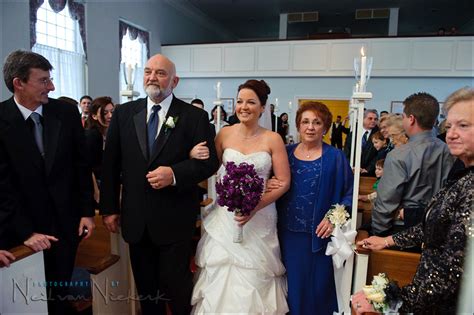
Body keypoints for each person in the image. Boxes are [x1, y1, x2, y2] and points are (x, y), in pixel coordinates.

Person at [100, 53, 219, 315]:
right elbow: (110, 165)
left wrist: (174, 174)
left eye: (160, 73)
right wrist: (109, 208)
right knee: (147, 290)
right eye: (148, 71)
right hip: (136, 219)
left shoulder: (193, 117)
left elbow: (209, 163)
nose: (152, 77)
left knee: (176, 287)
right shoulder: (124, 113)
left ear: (174, 81)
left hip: (174, 218)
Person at [353, 86, 474, 314]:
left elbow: (453, 272)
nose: (451, 133)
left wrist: (390, 301)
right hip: (416, 249)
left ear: (410, 119)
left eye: (464, 125)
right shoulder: (458, 166)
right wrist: (388, 240)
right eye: (449, 126)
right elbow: (436, 223)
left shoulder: (468, 185)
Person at [0, 50, 95, 314]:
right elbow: (2, 186)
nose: (51, 87)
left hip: (66, 227)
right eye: (43, 80)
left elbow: (80, 166)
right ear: (18, 82)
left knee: (58, 295)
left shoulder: (65, 112)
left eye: (50, 79)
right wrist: (25, 232)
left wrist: (87, 212)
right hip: (21, 232)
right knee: (29, 300)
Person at [191, 79, 290, 314]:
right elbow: (209, 168)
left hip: (260, 216)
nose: (244, 107)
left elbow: (284, 181)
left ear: (263, 107)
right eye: (240, 101)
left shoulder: (273, 138)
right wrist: (192, 153)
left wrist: (253, 207)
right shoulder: (224, 134)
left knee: (255, 275)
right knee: (221, 271)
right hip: (226, 217)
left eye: (251, 102)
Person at [272, 101, 354, 315]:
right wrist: (269, 184)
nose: (310, 127)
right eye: (305, 122)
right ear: (298, 126)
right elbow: (273, 181)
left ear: (325, 128)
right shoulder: (286, 153)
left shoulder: (336, 157)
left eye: (317, 122)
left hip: (319, 233)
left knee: (318, 287)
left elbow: (349, 194)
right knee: (292, 285)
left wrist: (333, 218)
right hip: (287, 232)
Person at [371, 92, 454, 236]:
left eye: (402, 117)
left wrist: (378, 232)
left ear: (411, 119)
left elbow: (386, 202)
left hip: (404, 228)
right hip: (439, 228)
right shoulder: (450, 150)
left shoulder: (399, 155)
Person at [84, 96, 114, 203]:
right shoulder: (92, 135)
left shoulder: (111, 134)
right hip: (93, 187)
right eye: (105, 113)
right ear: (94, 116)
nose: (110, 116)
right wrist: (96, 193)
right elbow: (87, 167)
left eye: (112, 112)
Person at [344, 109, 379, 176]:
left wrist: (368, 169)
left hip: (370, 173)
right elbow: (346, 152)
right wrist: (351, 166)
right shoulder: (353, 134)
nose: (373, 121)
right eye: (370, 118)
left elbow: (379, 155)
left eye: (375, 119)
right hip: (352, 171)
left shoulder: (379, 134)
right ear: (363, 119)